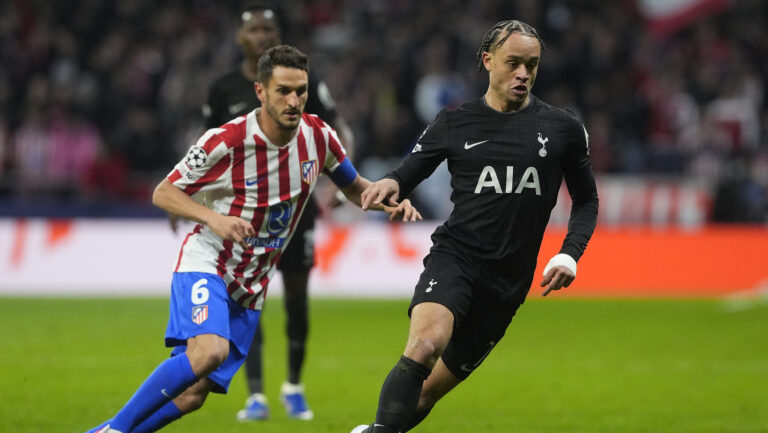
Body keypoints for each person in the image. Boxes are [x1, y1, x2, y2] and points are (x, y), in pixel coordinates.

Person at [86, 44, 420, 433]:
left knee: (193, 394)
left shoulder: (319, 138)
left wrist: (389, 202)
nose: (294, 101)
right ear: (261, 91)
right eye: (283, 91)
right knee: (209, 352)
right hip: (208, 262)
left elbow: (355, 188)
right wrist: (214, 219)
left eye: (301, 90)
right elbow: (164, 192)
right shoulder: (227, 140)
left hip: (250, 287)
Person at [351, 20, 599, 433]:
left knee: (426, 393)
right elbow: (408, 171)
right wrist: (390, 184)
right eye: (513, 63)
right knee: (425, 344)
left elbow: (587, 200)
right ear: (488, 61)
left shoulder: (563, 129)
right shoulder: (455, 122)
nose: (523, 74)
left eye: (532, 65)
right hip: (456, 258)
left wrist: (569, 254)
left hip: (507, 284)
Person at [202, 1, 355, 421]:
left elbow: (338, 131)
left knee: (298, 302)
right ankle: (255, 394)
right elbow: (208, 151)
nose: (262, 36)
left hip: (297, 212)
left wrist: (341, 186)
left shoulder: (304, 84)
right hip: (247, 218)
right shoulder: (223, 89)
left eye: (269, 30)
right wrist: (199, 202)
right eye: (254, 30)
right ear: (241, 37)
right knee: (249, 302)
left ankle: (293, 386)